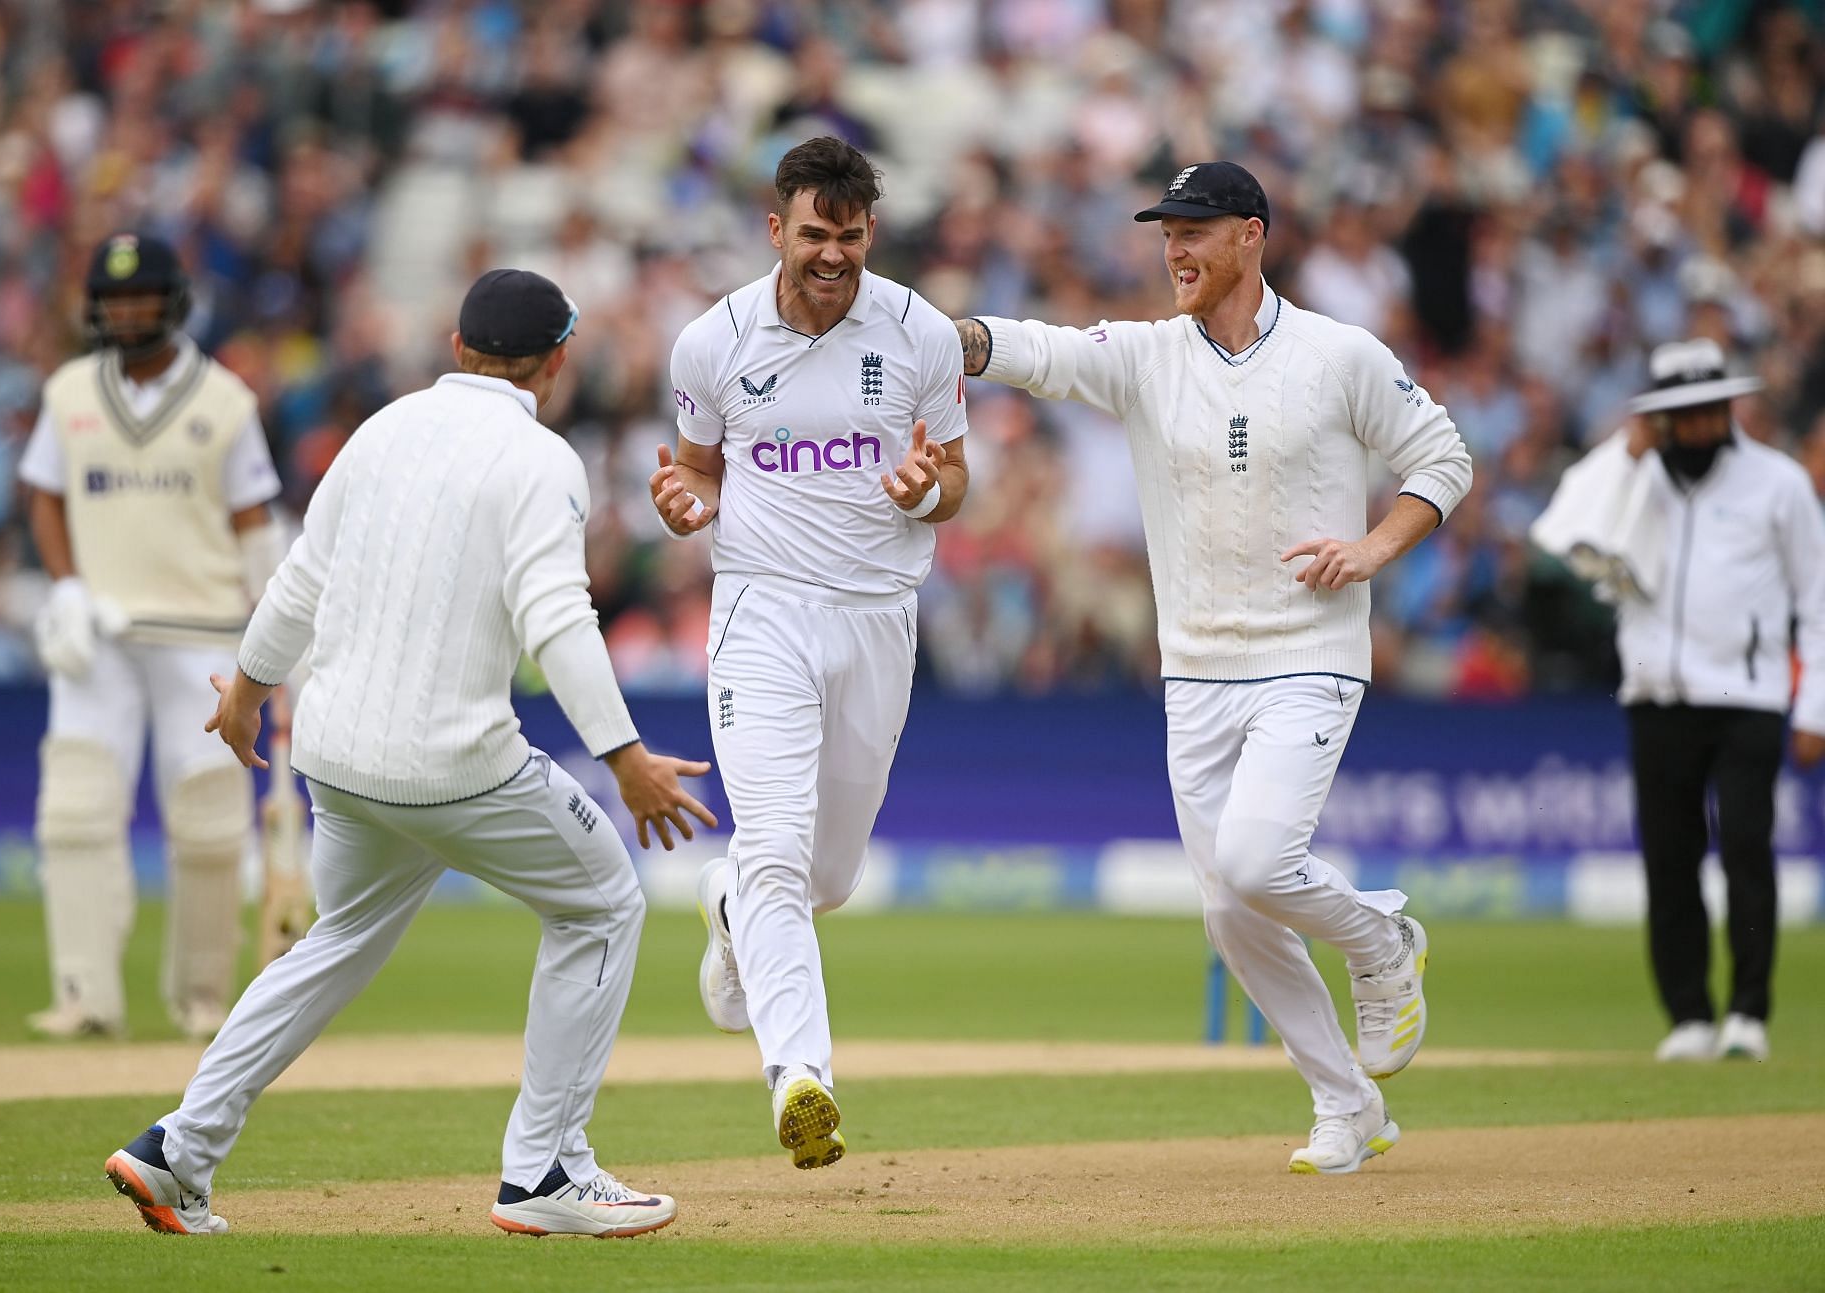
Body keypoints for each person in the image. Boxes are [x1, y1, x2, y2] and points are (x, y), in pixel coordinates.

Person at [104, 269, 714, 1238]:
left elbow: (304, 574)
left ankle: (177, 1149)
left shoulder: (380, 429)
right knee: (602, 902)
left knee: (336, 942)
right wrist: (626, 756)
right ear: (556, 361)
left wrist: (251, 693)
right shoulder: (543, 457)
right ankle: (547, 1172)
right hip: (453, 764)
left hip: (338, 758)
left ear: (458, 347)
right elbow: (557, 617)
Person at [956, 162, 1472, 1174]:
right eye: (1165, 234)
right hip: (1194, 672)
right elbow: (1041, 353)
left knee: (1252, 863)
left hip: (1308, 655)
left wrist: (1373, 549)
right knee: (1232, 915)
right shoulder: (1147, 356)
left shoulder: (1337, 354)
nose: (1175, 251)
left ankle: (1378, 939)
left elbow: (1443, 456)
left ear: (1252, 235)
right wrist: (946, 335)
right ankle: (1346, 1106)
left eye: (1195, 230)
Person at [648, 136, 970, 1169]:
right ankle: (802, 1077)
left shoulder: (918, 329)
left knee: (822, 878)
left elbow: (955, 477)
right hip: (763, 615)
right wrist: (686, 504)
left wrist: (928, 490)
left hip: (879, 614)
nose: (833, 255)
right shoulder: (713, 341)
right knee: (779, 848)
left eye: (851, 235)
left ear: (871, 230)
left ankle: (732, 900)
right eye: (814, 234)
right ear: (776, 229)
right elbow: (697, 472)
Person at [18, 232, 287, 1041]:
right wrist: (65, 583)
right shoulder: (69, 390)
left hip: (203, 633)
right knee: (74, 808)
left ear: (173, 302)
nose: (127, 312)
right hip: (96, 631)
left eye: (140, 298)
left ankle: (203, 997)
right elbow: (44, 496)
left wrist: (280, 635)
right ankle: (83, 993)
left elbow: (254, 527)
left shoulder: (224, 402)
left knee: (209, 818)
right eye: (113, 299)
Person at [1531, 339, 1825, 1063]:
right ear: (1658, 418)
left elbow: (1818, 599)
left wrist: (1814, 703)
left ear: (1728, 407)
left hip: (1748, 693)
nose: (1695, 427)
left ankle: (1748, 1012)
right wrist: (1626, 455)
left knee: (1748, 852)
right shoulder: (1631, 476)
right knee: (1669, 858)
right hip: (1658, 694)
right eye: (1678, 415)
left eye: (1706, 411)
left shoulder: (1778, 483)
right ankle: (1688, 1013)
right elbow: (1561, 528)